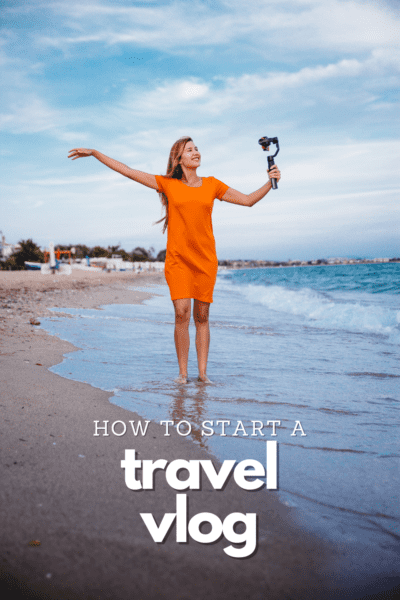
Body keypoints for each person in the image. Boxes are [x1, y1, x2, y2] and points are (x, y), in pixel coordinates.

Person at [68, 137, 281, 384]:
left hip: (205, 260)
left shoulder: (212, 185)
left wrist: (270, 182)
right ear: (178, 159)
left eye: (197, 148)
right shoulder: (167, 184)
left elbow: (247, 200)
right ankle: (182, 374)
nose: (196, 152)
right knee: (182, 313)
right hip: (178, 260)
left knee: (202, 316)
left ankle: (202, 375)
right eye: (189, 150)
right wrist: (95, 152)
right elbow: (128, 171)